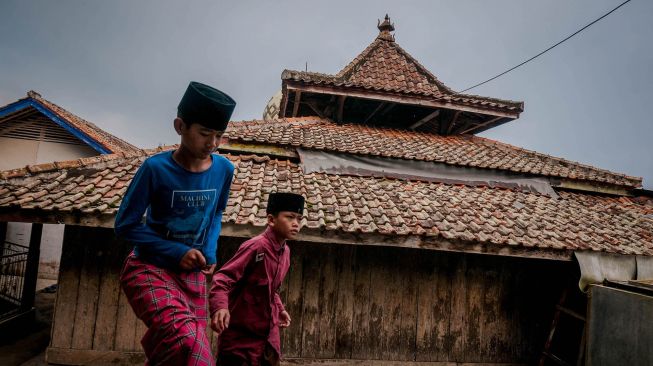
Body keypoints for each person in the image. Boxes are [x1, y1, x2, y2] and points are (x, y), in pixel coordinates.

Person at [115, 81, 236, 366]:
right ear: (180, 126)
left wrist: (210, 251)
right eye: (205, 133)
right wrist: (176, 252)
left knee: (190, 355)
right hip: (149, 268)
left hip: (192, 277)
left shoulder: (224, 170)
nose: (213, 143)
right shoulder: (155, 169)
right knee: (186, 338)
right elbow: (125, 224)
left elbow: (217, 212)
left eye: (219, 135)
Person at [209, 192, 305, 366]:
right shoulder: (255, 247)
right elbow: (223, 278)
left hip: (267, 342)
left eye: (299, 218)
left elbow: (270, 290)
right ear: (271, 219)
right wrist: (220, 307)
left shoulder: (286, 253)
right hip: (240, 344)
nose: (296, 223)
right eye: (290, 217)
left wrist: (280, 308)